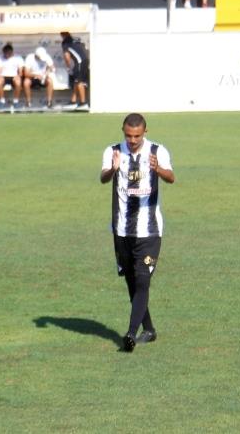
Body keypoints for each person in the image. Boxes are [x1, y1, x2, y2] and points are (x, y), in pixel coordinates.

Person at [99, 113, 175, 352]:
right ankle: (149, 329)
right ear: (123, 131)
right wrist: (112, 169)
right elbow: (103, 178)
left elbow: (171, 177)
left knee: (143, 279)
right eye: (128, 135)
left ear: (145, 132)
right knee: (132, 281)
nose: (132, 140)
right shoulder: (112, 150)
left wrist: (159, 169)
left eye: (137, 136)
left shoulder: (158, 151)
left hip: (150, 230)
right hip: (121, 229)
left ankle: (131, 333)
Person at [60, 32, 89, 109]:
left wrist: (68, 67)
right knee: (77, 81)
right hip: (85, 60)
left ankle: (83, 103)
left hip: (80, 62)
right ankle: (73, 101)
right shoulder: (75, 40)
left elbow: (67, 56)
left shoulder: (65, 43)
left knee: (79, 82)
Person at [0, 44, 24, 109]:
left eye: (8, 53)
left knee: (18, 82)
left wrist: (18, 76)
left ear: (12, 52)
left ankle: (16, 101)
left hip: (14, 76)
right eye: (5, 53)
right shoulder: (0, 58)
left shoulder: (18, 58)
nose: (6, 55)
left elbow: (20, 72)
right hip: (3, 76)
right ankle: (2, 100)